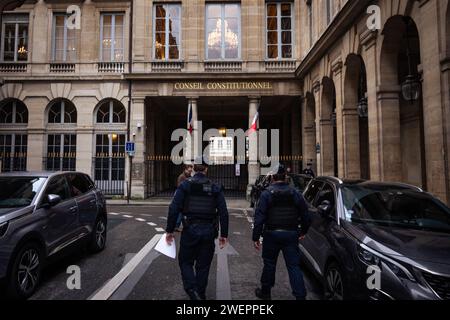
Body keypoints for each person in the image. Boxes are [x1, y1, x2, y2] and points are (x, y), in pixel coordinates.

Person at [165, 158, 229, 300]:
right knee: (204, 265)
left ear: (194, 168)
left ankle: (191, 289)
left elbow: (174, 208)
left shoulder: (186, 186)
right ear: (206, 169)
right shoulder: (215, 187)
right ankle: (200, 292)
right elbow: (224, 212)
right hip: (209, 231)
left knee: (185, 262)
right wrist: (223, 235)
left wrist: (170, 230)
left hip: (190, 230)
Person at [253, 164, 311, 301]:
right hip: (290, 234)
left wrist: (256, 237)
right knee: (293, 266)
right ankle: (300, 296)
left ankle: (266, 292)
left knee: (269, 264)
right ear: (285, 176)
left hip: (271, 234)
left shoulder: (267, 194)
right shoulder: (295, 193)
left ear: (272, 177)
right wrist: (303, 231)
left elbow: (259, 217)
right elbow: (306, 215)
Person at [175, 164, 194, 232]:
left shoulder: (189, 176)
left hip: (186, 197)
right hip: (182, 196)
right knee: (181, 211)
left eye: (191, 171)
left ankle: (184, 225)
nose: (190, 172)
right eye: (189, 170)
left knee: (183, 212)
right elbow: (180, 187)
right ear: (185, 169)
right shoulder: (182, 177)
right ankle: (176, 226)